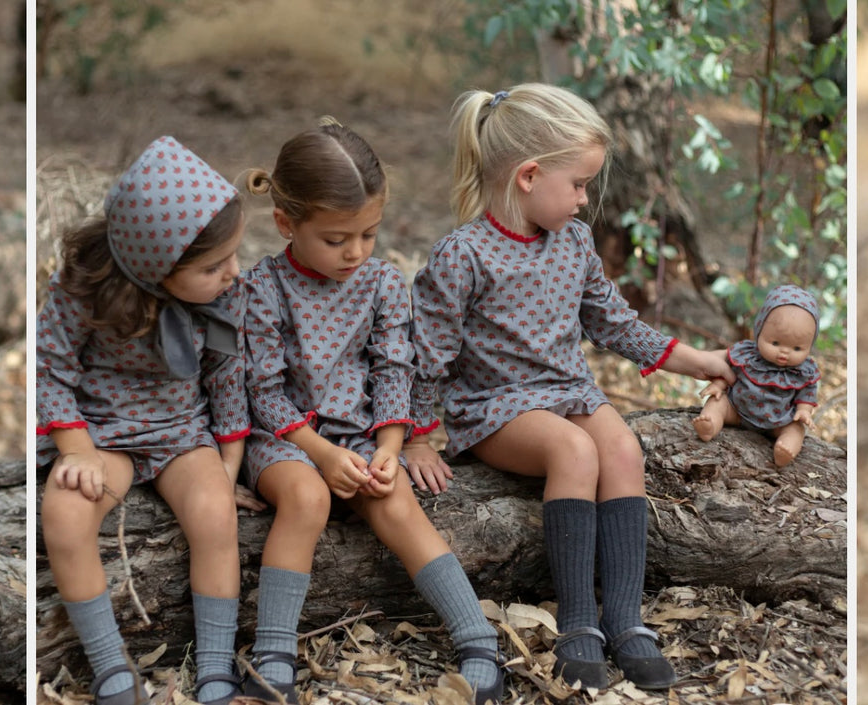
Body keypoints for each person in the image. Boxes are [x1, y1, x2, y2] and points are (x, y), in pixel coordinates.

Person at [403, 83, 735, 692]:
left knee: (624, 450)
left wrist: (696, 361)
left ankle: (627, 621)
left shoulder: (573, 242)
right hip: (496, 408)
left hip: (569, 391)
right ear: (529, 175)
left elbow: (612, 321)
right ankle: (579, 623)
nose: (585, 201)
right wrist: (420, 437)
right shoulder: (463, 256)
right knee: (574, 451)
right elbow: (427, 354)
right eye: (578, 184)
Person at [239, 118, 505, 705]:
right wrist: (320, 452)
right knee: (306, 498)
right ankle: (272, 660)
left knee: (396, 499)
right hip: (286, 438)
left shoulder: (384, 283)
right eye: (336, 239)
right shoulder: (263, 288)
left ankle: (479, 640)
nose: (355, 251)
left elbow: (393, 372)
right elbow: (263, 390)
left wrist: (388, 449)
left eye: (369, 233)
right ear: (286, 223)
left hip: (360, 435)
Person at [37, 136, 261, 705]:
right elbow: (50, 368)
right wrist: (76, 450)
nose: (234, 272)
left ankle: (214, 664)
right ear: (153, 265)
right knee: (63, 513)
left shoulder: (224, 297)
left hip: (183, 435)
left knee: (214, 515)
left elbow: (225, 381)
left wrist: (228, 467)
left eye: (233, 255)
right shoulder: (83, 291)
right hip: (103, 435)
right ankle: (111, 667)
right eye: (214, 265)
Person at [692, 285, 822, 467]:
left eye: (797, 348)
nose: (784, 352)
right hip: (737, 409)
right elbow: (729, 370)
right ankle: (710, 424)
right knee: (717, 402)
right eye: (775, 342)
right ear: (759, 330)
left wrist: (804, 411)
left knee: (796, 429)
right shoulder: (747, 355)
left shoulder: (804, 371)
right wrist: (719, 385)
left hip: (779, 419)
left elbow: (807, 393)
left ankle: (785, 450)